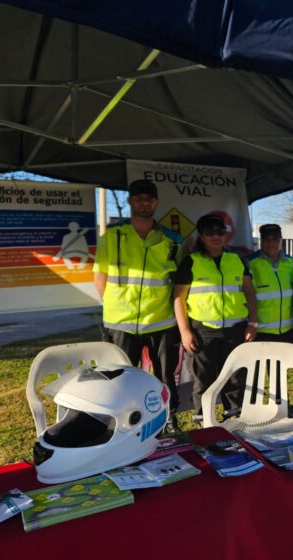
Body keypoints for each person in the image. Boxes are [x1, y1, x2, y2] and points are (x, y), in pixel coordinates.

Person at [93, 179, 183, 433]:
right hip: (120, 322)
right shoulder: (112, 236)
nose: (145, 203)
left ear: (156, 202)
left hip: (162, 321)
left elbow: (176, 281)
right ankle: (124, 425)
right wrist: (115, 305)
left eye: (150, 199)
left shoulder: (172, 239)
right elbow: (99, 278)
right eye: (139, 198)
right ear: (130, 201)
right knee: (120, 379)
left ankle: (169, 419)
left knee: (166, 378)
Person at [172, 214, 258, 422]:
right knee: (204, 378)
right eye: (209, 232)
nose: (216, 236)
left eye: (220, 232)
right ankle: (205, 420)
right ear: (201, 236)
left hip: (236, 329)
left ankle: (234, 417)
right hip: (204, 331)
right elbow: (178, 299)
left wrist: (253, 323)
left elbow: (249, 292)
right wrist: (185, 331)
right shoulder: (191, 261)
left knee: (236, 376)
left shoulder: (236, 260)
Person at [248, 224, 293, 343]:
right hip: (261, 331)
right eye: (266, 240)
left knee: (286, 362)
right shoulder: (250, 262)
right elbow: (246, 295)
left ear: (280, 241)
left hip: (288, 330)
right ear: (261, 241)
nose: (271, 243)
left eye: (275, 239)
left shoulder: (290, 262)